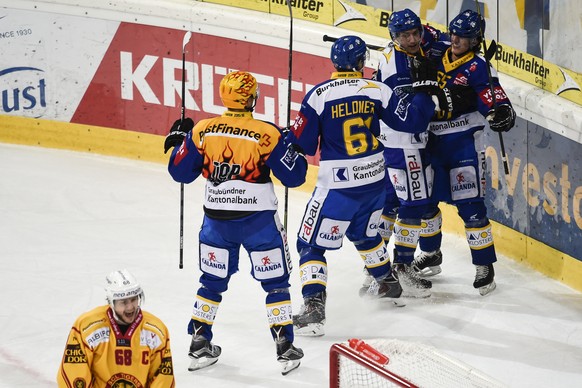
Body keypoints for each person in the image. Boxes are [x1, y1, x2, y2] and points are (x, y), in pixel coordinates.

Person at [290, 35, 463, 336]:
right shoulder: (377, 90)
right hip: (374, 183)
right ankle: (388, 283)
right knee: (366, 235)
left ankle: (314, 308)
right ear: (361, 63)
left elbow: (304, 144)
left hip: (338, 187)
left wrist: (290, 134)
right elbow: (411, 122)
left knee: (310, 244)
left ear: (334, 62)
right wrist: (423, 92)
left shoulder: (318, 95)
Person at [164, 71, 308, 375]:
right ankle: (285, 346)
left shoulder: (203, 130)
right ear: (252, 98)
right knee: (276, 284)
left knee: (211, 282)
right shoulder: (266, 133)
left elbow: (180, 173)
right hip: (259, 225)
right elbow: (295, 178)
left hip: (216, 224)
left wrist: (180, 142)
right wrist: (290, 146)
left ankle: (200, 340)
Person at [412, 9, 516, 295]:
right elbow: (419, 31)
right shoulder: (438, 49)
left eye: (465, 37)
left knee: (471, 208)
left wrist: (501, 112)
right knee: (426, 202)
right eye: (454, 33)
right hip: (431, 142)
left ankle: (484, 266)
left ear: (475, 40)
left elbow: (493, 98)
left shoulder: (478, 68)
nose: (457, 39)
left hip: (463, 144)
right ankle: (431, 253)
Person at [370, 8, 452, 297]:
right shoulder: (397, 68)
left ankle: (378, 270)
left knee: (392, 202)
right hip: (406, 143)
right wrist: (428, 93)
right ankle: (402, 268)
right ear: (394, 37)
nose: (413, 38)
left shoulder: (406, 49)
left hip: (394, 143)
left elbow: (437, 38)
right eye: (405, 35)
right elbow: (413, 117)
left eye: (415, 33)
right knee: (414, 205)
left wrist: (441, 45)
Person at [57, 269, 175, 387]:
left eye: (134, 299)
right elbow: (74, 372)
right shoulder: (88, 327)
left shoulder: (155, 331)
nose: (130, 307)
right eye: (123, 302)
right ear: (111, 302)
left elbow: (163, 378)